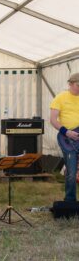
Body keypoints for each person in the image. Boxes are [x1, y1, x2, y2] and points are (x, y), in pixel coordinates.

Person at [50, 72, 79, 202]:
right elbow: (53, 120)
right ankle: (70, 201)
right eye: (78, 85)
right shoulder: (60, 98)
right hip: (67, 138)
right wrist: (66, 132)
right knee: (72, 172)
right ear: (70, 84)